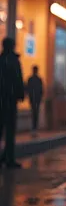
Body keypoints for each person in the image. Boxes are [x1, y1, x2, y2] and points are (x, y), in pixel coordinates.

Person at [0, 37, 25, 168]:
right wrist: (20, 94)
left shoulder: (1, 60)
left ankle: (4, 156)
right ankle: (9, 158)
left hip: (2, 100)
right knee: (10, 131)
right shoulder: (14, 61)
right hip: (10, 100)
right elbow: (18, 79)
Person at [27, 65, 44, 136]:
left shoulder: (30, 79)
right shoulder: (38, 79)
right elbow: (41, 90)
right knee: (35, 113)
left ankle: (34, 128)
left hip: (33, 99)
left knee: (34, 113)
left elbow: (28, 89)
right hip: (36, 99)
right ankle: (34, 128)